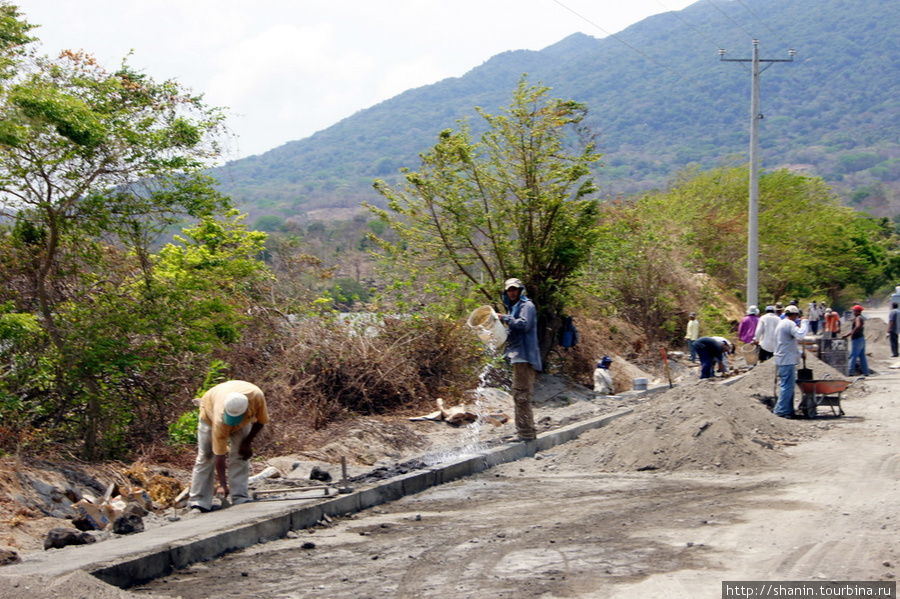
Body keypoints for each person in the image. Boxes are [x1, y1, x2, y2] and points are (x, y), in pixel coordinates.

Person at [189, 380, 269, 513]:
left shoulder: (256, 397)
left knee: (240, 455)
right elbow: (219, 455)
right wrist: (223, 485)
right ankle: (199, 501)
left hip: (243, 419)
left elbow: (261, 422)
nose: (232, 424)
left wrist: (247, 443)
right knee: (206, 456)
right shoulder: (220, 419)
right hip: (209, 415)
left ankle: (240, 497)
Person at [498, 278, 541, 441]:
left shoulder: (527, 306)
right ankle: (524, 431)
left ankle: (526, 434)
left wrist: (504, 318)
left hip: (524, 356)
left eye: (515, 289)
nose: (512, 292)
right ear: (506, 292)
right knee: (519, 395)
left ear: (521, 290)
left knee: (521, 396)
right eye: (509, 290)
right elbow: (514, 331)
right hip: (518, 356)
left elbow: (524, 325)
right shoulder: (514, 308)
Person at [773, 305, 809, 418]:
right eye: (797, 316)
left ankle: (788, 411)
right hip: (787, 360)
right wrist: (805, 323)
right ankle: (780, 410)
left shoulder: (781, 324)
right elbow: (800, 335)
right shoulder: (789, 324)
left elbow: (787, 344)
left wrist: (800, 354)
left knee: (788, 386)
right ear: (794, 314)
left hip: (783, 358)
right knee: (787, 386)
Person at [843, 304, 870, 376]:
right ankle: (866, 372)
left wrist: (852, 335)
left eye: (854, 311)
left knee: (853, 356)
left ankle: (850, 372)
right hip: (861, 339)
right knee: (862, 356)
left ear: (857, 311)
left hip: (857, 340)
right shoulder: (861, 318)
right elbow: (854, 328)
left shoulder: (858, 318)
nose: (853, 312)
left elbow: (857, 326)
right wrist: (847, 335)